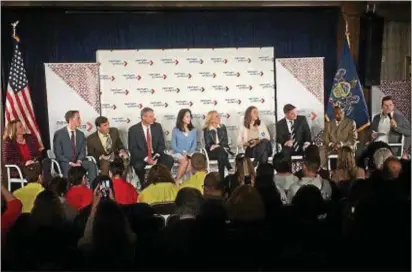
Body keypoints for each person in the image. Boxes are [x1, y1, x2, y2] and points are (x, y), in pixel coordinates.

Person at [128, 107, 174, 186]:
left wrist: (156, 157)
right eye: (151, 116)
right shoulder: (133, 130)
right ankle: (144, 185)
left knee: (169, 160)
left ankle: (162, 183)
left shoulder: (157, 126)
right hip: (141, 156)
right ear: (143, 117)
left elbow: (161, 144)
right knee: (138, 166)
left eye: (153, 116)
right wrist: (147, 158)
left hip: (155, 154)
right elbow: (133, 149)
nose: (154, 118)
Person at [53, 110, 97, 181]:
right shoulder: (59, 134)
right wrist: (71, 163)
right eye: (78, 118)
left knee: (91, 165)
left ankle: (92, 190)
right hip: (65, 163)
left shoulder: (81, 134)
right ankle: (68, 191)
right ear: (70, 119)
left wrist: (79, 161)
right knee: (68, 169)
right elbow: (58, 154)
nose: (80, 120)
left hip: (78, 162)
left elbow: (83, 151)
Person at [203, 110, 233, 182]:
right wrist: (218, 146)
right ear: (211, 119)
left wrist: (217, 146)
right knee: (221, 152)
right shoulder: (207, 129)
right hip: (212, 153)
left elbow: (225, 142)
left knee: (221, 153)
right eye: (217, 116)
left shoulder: (223, 127)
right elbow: (209, 145)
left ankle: (221, 180)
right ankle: (229, 167)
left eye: (219, 116)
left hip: (223, 150)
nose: (219, 118)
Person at [171, 109, 198, 182]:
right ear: (182, 118)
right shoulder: (175, 130)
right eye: (187, 117)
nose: (189, 118)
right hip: (178, 153)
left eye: (190, 116)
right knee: (184, 162)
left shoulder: (193, 130)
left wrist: (188, 153)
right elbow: (173, 146)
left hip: (190, 153)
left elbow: (194, 145)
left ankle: (177, 180)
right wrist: (182, 152)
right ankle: (177, 181)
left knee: (190, 163)